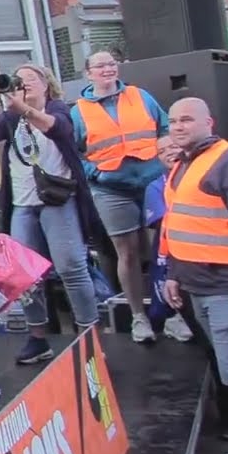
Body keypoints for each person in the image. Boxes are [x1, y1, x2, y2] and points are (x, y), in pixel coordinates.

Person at [0, 64, 100, 365]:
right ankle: (38, 337)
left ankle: (88, 335)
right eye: (20, 80)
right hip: (22, 203)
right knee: (25, 276)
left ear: (47, 85)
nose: (25, 84)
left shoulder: (59, 109)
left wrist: (24, 108)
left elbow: (56, 128)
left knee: (71, 267)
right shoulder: (11, 117)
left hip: (58, 200)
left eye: (32, 79)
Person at [160, 97, 228, 454]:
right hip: (194, 284)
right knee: (227, 367)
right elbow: (180, 223)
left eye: (187, 120)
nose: (178, 127)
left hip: (225, 286)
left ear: (210, 122)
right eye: (173, 121)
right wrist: (174, 274)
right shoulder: (182, 165)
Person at [72, 51, 168, 343]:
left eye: (111, 64)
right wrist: (95, 173)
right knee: (126, 252)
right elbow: (74, 151)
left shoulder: (141, 96)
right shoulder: (78, 110)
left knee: (159, 251)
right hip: (111, 188)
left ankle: (172, 314)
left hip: (151, 181)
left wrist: (166, 156)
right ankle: (139, 317)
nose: (107, 69)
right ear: (88, 74)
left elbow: (164, 127)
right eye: (100, 65)